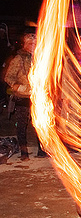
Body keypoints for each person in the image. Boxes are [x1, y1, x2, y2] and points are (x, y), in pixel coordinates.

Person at [4, 27, 46, 159]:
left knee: (40, 124)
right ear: (25, 43)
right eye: (30, 41)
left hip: (38, 96)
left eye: (35, 41)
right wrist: (17, 86)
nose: (33, 44)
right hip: (22, 97)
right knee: (22, 125)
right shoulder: (19, 58)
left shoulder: (41, 58)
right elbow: (8, 77)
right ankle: (24, 151)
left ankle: (41, 150)